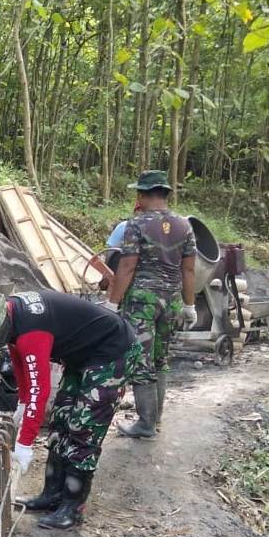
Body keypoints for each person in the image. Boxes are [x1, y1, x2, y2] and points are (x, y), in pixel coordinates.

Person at [0, 289, 140, 530]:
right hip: (82, 354)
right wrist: (23, 403)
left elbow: (40, 390)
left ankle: (72, 508)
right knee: (61, 419)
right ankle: (52, 494)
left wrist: (24, 444)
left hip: (112, 351)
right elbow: (20, 360)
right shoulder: (13, 313)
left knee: (84, 428)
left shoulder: (31, 332)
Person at [107, 170, 196, 440]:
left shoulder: (136, 224)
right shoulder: (184, 225)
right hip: (171, 302)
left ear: (143, 195)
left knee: (140, 359)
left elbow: (127, 266)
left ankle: (145, 424)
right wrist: (190, 305)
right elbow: (188, 270)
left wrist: (112, 303)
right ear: (165, 194)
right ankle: (155, 419)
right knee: (160, 358)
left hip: (141, 302)